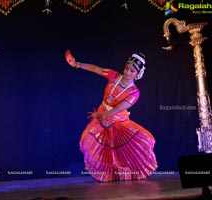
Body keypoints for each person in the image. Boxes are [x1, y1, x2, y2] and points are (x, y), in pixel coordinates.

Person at [64, 49, 158, 182]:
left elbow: (121, 107)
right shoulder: (113, 75)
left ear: (138, 74)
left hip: (118, 119)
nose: (127, 72)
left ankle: (123, 173)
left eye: (132, 71)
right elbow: (96, 68)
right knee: (87, 140)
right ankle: (105, 173)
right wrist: (77, 64)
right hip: (102, 114)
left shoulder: (134, 92)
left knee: (120, 148)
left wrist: (107, 114)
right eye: (126, 68)